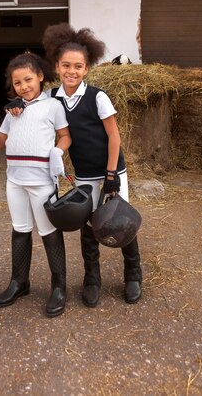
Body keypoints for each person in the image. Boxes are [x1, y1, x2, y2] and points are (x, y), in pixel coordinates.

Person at [0, 52, 72, 317]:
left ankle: (59, 287)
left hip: (42, 182)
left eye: (28, 80)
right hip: (15, 181)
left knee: (48, 232)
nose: (24, 86)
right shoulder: (13, 110)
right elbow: (0, 142)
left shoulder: (53, 106)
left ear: (41, 77)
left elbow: (65, 136)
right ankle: (19, 282)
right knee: (20, 230)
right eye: (18, 83)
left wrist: (58, 151)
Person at [42, 23, 143, 305]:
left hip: (111, 171)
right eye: (66, 66)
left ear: (86, 69)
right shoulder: (51, 98)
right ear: (56, 66)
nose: (71, 71)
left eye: (78, 66)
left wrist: (112, 174)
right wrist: (14, 103)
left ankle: (133, 275)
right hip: (84, 174)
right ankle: (92, 278)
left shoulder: (97, 96)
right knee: (88, 228)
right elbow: (30, 104)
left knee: (121, 222)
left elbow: (114, 134)